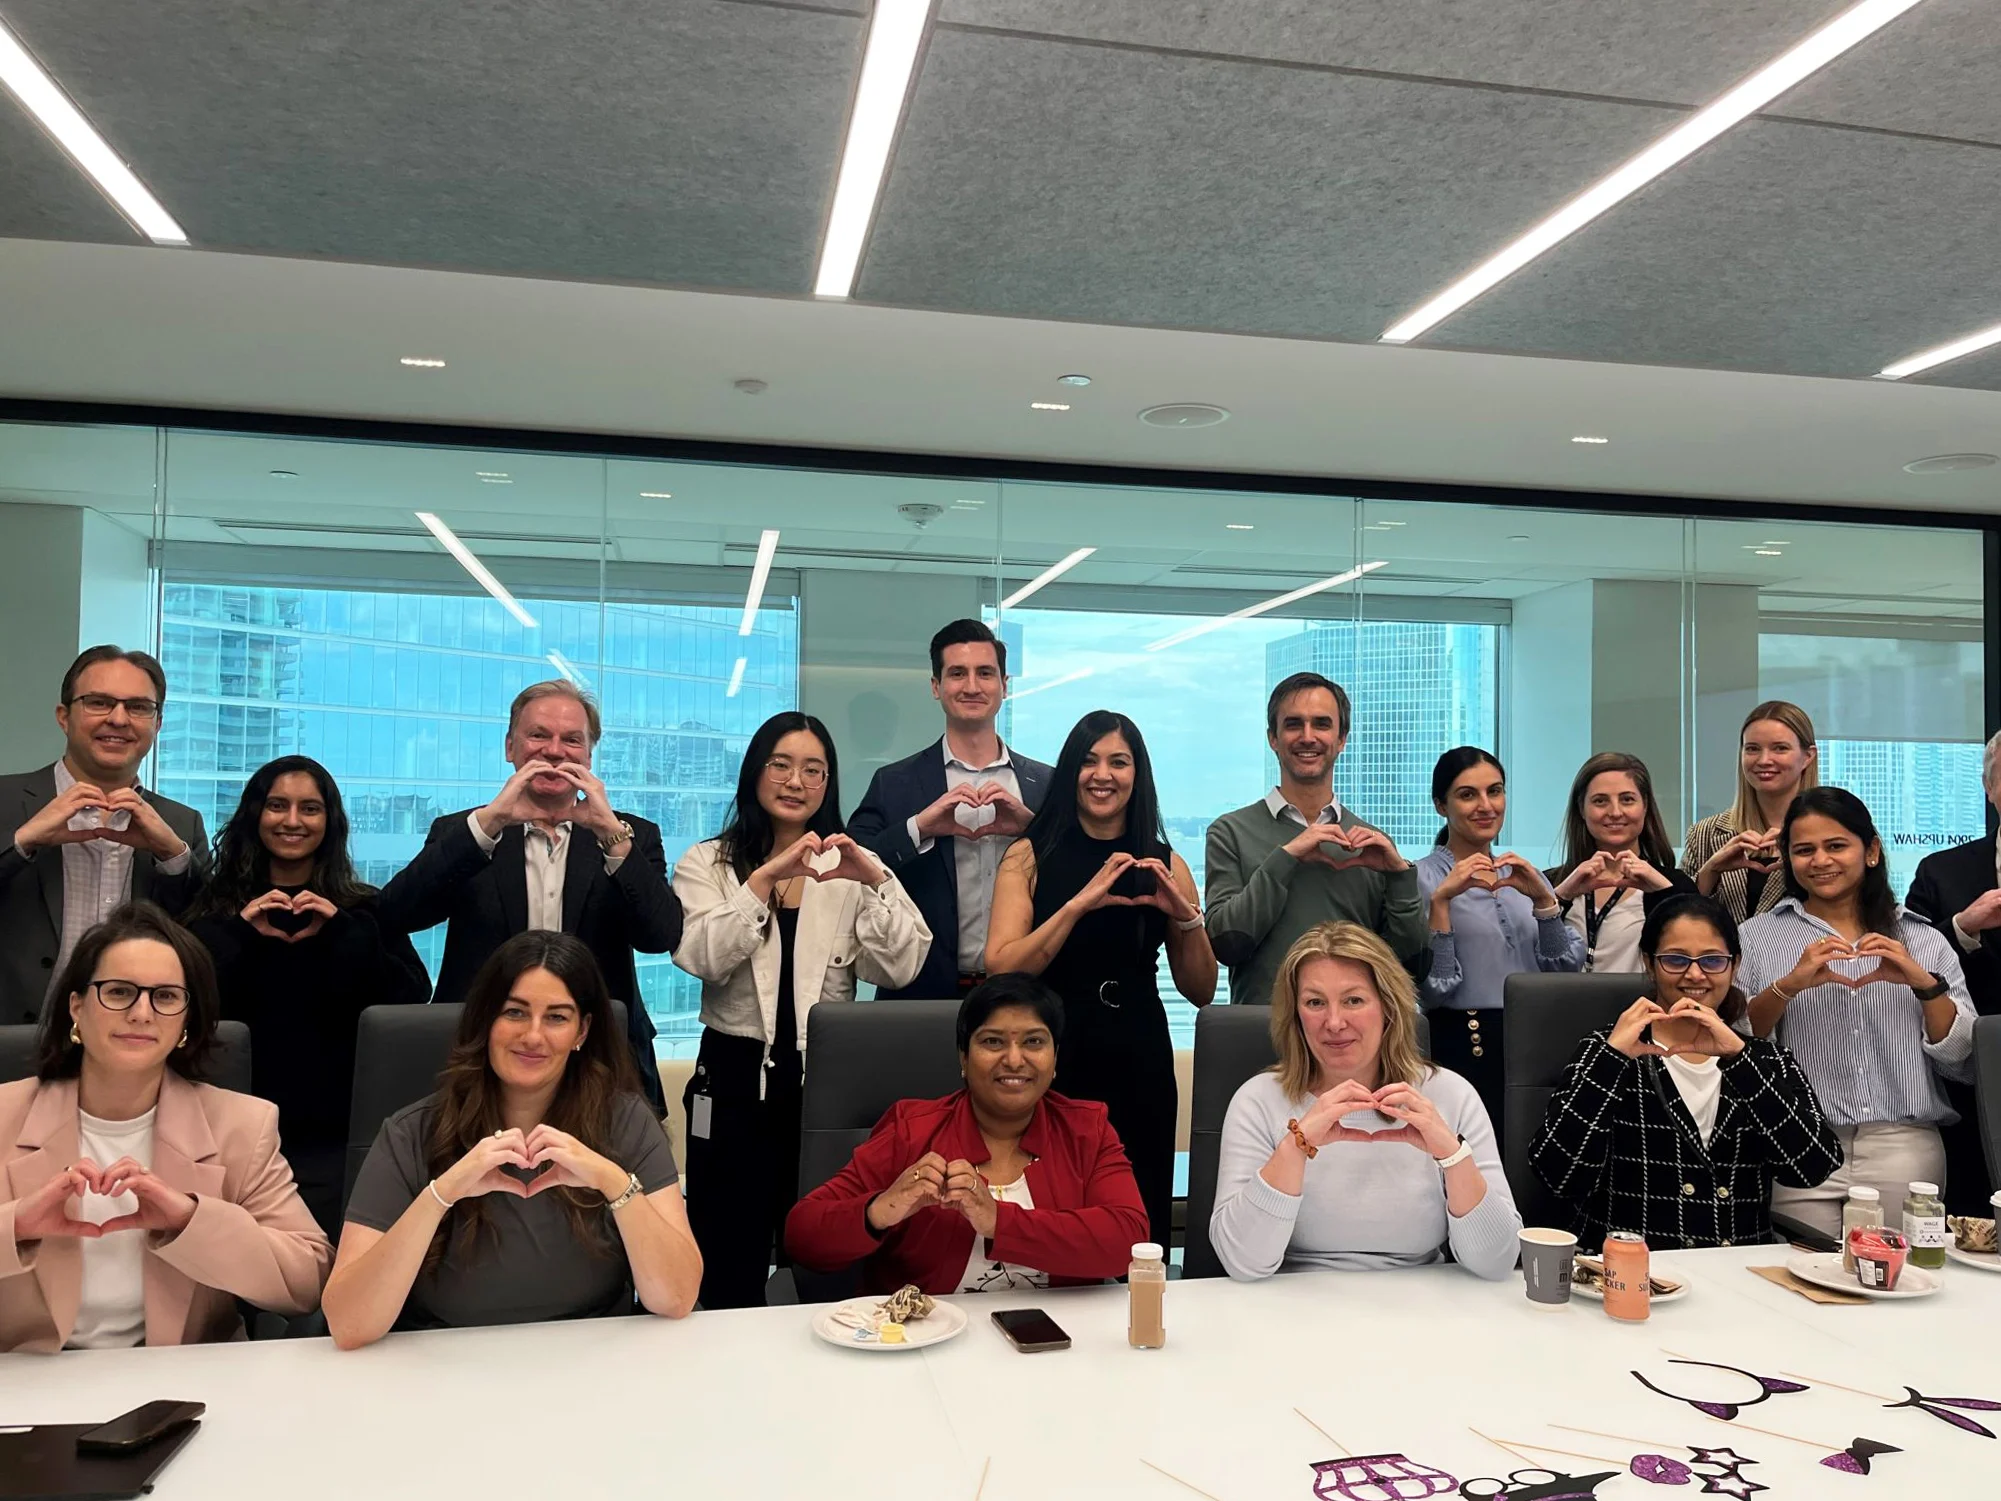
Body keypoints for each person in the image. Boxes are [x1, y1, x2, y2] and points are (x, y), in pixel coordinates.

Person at [324, 931, 700, 1347]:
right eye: (515, 1013)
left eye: (557, 1017)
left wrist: (614, 1183)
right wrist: (441, 1193)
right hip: (442, 1366)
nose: (533, 1036)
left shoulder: (627, 1123)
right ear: (485, 1020)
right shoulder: (410, 1132)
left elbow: (677, 1297)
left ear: (582, 1031)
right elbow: (348, 1324)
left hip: (591, 1361)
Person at [672, 712, 930, 1309]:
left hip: (823, 1085)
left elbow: (902, 964)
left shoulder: (847, 867)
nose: (796, 781)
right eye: (781, 765)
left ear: (828, 784)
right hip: (733, 1078)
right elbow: (700, 956)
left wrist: (876, 878)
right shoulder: (706, 862)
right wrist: (763, 880)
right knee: (725, 1251)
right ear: (755, 774)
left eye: (814, 770)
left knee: (820, 1251)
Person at [0, 903, 331, 1353]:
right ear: (75, 1006)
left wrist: (189, 1221)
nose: (141, 1013)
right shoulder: (5, 1114)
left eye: (166, 996)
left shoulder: (241, 1126)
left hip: (181, 1385)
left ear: (187, 1022)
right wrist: (16, 1226)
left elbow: (308, 1281)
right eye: (118, 992)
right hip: (27, 1382)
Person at [377, 679, 680, 1109]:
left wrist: (612, 836)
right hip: (480, 1063)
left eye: (572, 739)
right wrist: (490, 824)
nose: (554, 751)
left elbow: (662, 935)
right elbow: (393, 914)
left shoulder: (630, 835)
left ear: (588, 755)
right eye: (539, 735)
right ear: (510, 747)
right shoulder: (465, 832)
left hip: (601, 1062)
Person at [984, 710, 1213, 1245]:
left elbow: (1201, 989)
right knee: (1057, 1203)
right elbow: (1001, 967)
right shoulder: (1029, 854)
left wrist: (1187, 917)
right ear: (1070, 772)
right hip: (1053, 1051)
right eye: (1088, 761)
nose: (1102, 774)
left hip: (1140, 1050)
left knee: (1141, 1204)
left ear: (1138, 775)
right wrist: (1075, 907)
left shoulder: (1165, 861)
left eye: (1118, 761)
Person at [182, 757, 432, 1235]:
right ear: (255, 814)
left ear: (330, 822)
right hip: (226, 1130)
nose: (292, 821)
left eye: (309, 809)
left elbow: (410, 1000)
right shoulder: (211, 909)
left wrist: (342, 930)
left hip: (337, 1138)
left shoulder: (364, 909)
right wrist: (238, 933)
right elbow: (184, 1002)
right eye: (277, 805)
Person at [784, 973, 1147, 1294]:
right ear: (963, 1058)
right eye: (993, 1042)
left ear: (1055, 1060)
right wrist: (879, 1210)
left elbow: (1130, 1242)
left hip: (1057, 1344)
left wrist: (998, 1222)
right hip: (928, 1346)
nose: (1015, 1060)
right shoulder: (912, 1129)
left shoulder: (1086, 1128)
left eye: (1034, 1042)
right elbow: (803, 1237)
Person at [1530, 893, 1841, 1251]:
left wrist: (1741, 1060)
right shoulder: (1607, 1050)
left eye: (1712, 961)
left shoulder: (1766, 1060)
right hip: (1631, 1273)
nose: (1695, 974)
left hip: (1737, 1276)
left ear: (1734, 965)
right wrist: (1611, 1059)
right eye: (1675, 960)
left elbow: (1812, 1167)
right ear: (1649, 963)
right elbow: (1558, 1174)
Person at [1209, 922, 1519, 1279]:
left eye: (1353, 1000)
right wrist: (1296, 1146)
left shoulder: (1451, 1094)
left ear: (1388, 1008)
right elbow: (1242, 1262)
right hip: (1293, 1305)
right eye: (1315, 1003)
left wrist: (1452, 1154)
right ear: (1295, 1016)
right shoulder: (1259, 1100)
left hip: (1425, 1309)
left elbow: (1496, 1263)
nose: (1334, 1022)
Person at [1740, 787, 1976, 1235]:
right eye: (1803, 850)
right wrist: (1787, 986)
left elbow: (1964, 1060)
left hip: (1905, 1144)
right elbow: (1738, 1046)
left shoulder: (1922, 939)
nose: (1820, 860)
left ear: (1870, 851)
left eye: (1836, 846)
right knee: (1799, 1289)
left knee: (1905, 1283)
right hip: (1799, 1142)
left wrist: (1924, 985)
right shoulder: (1756, 936)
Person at [847, 620, 1052, 1000]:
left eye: (985, 673)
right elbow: (851, 865)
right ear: (936, 687)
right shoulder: (894, 783)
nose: (972, 686)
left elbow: (1080, 872)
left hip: (1025, 994)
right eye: (957, 673)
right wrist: (920, 827)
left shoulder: (1047, 785)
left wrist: (1032, 830)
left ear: (1004, 686)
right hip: (919, 993)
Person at [0, 646, 207, 1023]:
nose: (118, 719)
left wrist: (173, 857)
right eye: (99, 702)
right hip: (13, 1040)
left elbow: (204, 939)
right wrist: (23, 842)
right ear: (64, 716)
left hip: (132, 1040)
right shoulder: (5, 800)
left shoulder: (182, 824)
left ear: (157, 724)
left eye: (139, 707)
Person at [1205, 672, 1426, 1007]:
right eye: (1294, 724)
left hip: (1350, 1038)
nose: (1307, 737)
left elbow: (1412, 968)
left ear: (1341, 739)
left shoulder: (1371, 843)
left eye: (1321, 724)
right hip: (1262, 1037)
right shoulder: (1230, 832)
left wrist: (1400, 878)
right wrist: (1286, 858)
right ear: (1273, 738)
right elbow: (1227, 944)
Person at [1416, 747, 1584, 1134]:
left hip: (1535, 1040)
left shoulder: (1525, 874)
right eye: (1467, 794)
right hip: (1464, 1043)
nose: (1485, 805)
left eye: (1495, 791)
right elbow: (1434, 989)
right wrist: (1442, 902)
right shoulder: (1422, 880)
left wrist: (1544, 901)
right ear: (1441, 805)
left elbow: (1565, 967)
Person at [1905, 728, 2001, 1215]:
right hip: (1971, 1085)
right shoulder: (1942, 870)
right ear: (1989, 788)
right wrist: (1963, 928)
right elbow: (1904, 963)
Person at [1545, 752, 1698, 974]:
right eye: (1600, 801)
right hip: (1563, 1007)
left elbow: (1693, 953)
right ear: (1581, 809)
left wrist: (1664, 891)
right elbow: (1528, 952)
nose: (1615, 812)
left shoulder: (1674, 885)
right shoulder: (1550, 884)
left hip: (1646, 1007)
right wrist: (1560, 897)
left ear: (1645, 806)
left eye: (1627, 799)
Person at [1680, 701, 1819, 924]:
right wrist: (1711, 871)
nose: (1764, 760)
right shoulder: (1704, 833)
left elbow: (1856, 909)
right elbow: (1674, 920)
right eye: (1753, 749)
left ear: (1808, 756)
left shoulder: (1835, 831)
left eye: (1780, 748)